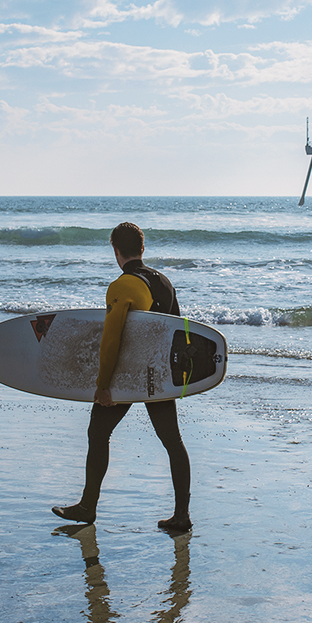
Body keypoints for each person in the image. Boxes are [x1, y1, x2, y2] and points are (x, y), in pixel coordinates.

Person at [52, 222, 192, 533]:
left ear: (116, 250)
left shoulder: (121, 286)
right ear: (142, 249)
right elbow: (178, 335)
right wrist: (173, 381)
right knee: (173, 442)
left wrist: (103, 386)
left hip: (127, 379)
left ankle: (88, 506)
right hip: (159, 376)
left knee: (97, 433)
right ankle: (182, 515)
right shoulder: (166, 283)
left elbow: (111, 341)